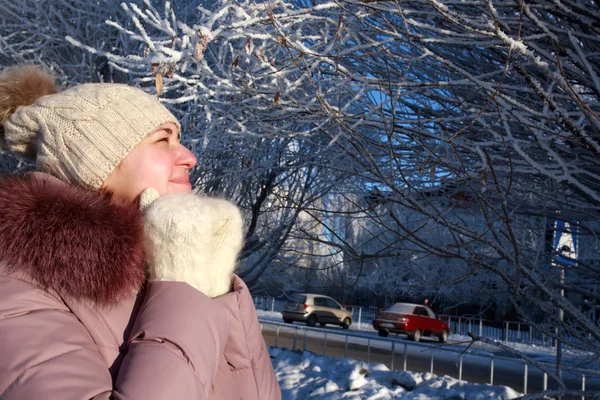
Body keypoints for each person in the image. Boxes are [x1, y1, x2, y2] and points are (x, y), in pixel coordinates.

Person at [0, 65, 281, 399]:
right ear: (94, 167)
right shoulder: (18, 285)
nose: (190, 157)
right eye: (162, 139)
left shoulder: (176, 262)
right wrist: (184, 285)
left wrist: (204, 281)